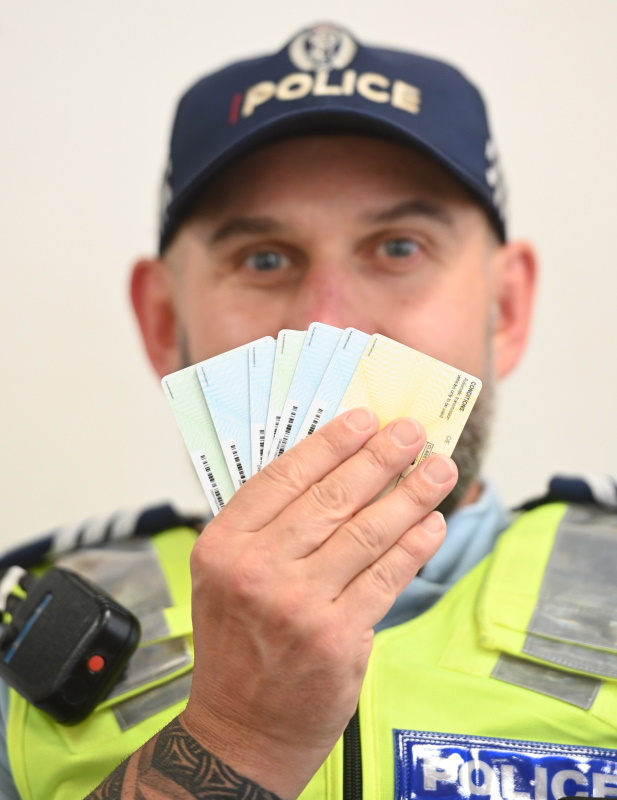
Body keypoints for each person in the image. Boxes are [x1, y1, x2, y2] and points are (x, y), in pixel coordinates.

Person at [1, 22, 616, 800]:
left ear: (507, 307)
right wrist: (233, 738)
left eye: (398, 248)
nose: (331, 324)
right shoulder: (16, 644)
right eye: (263, 260)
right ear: (163, 321)